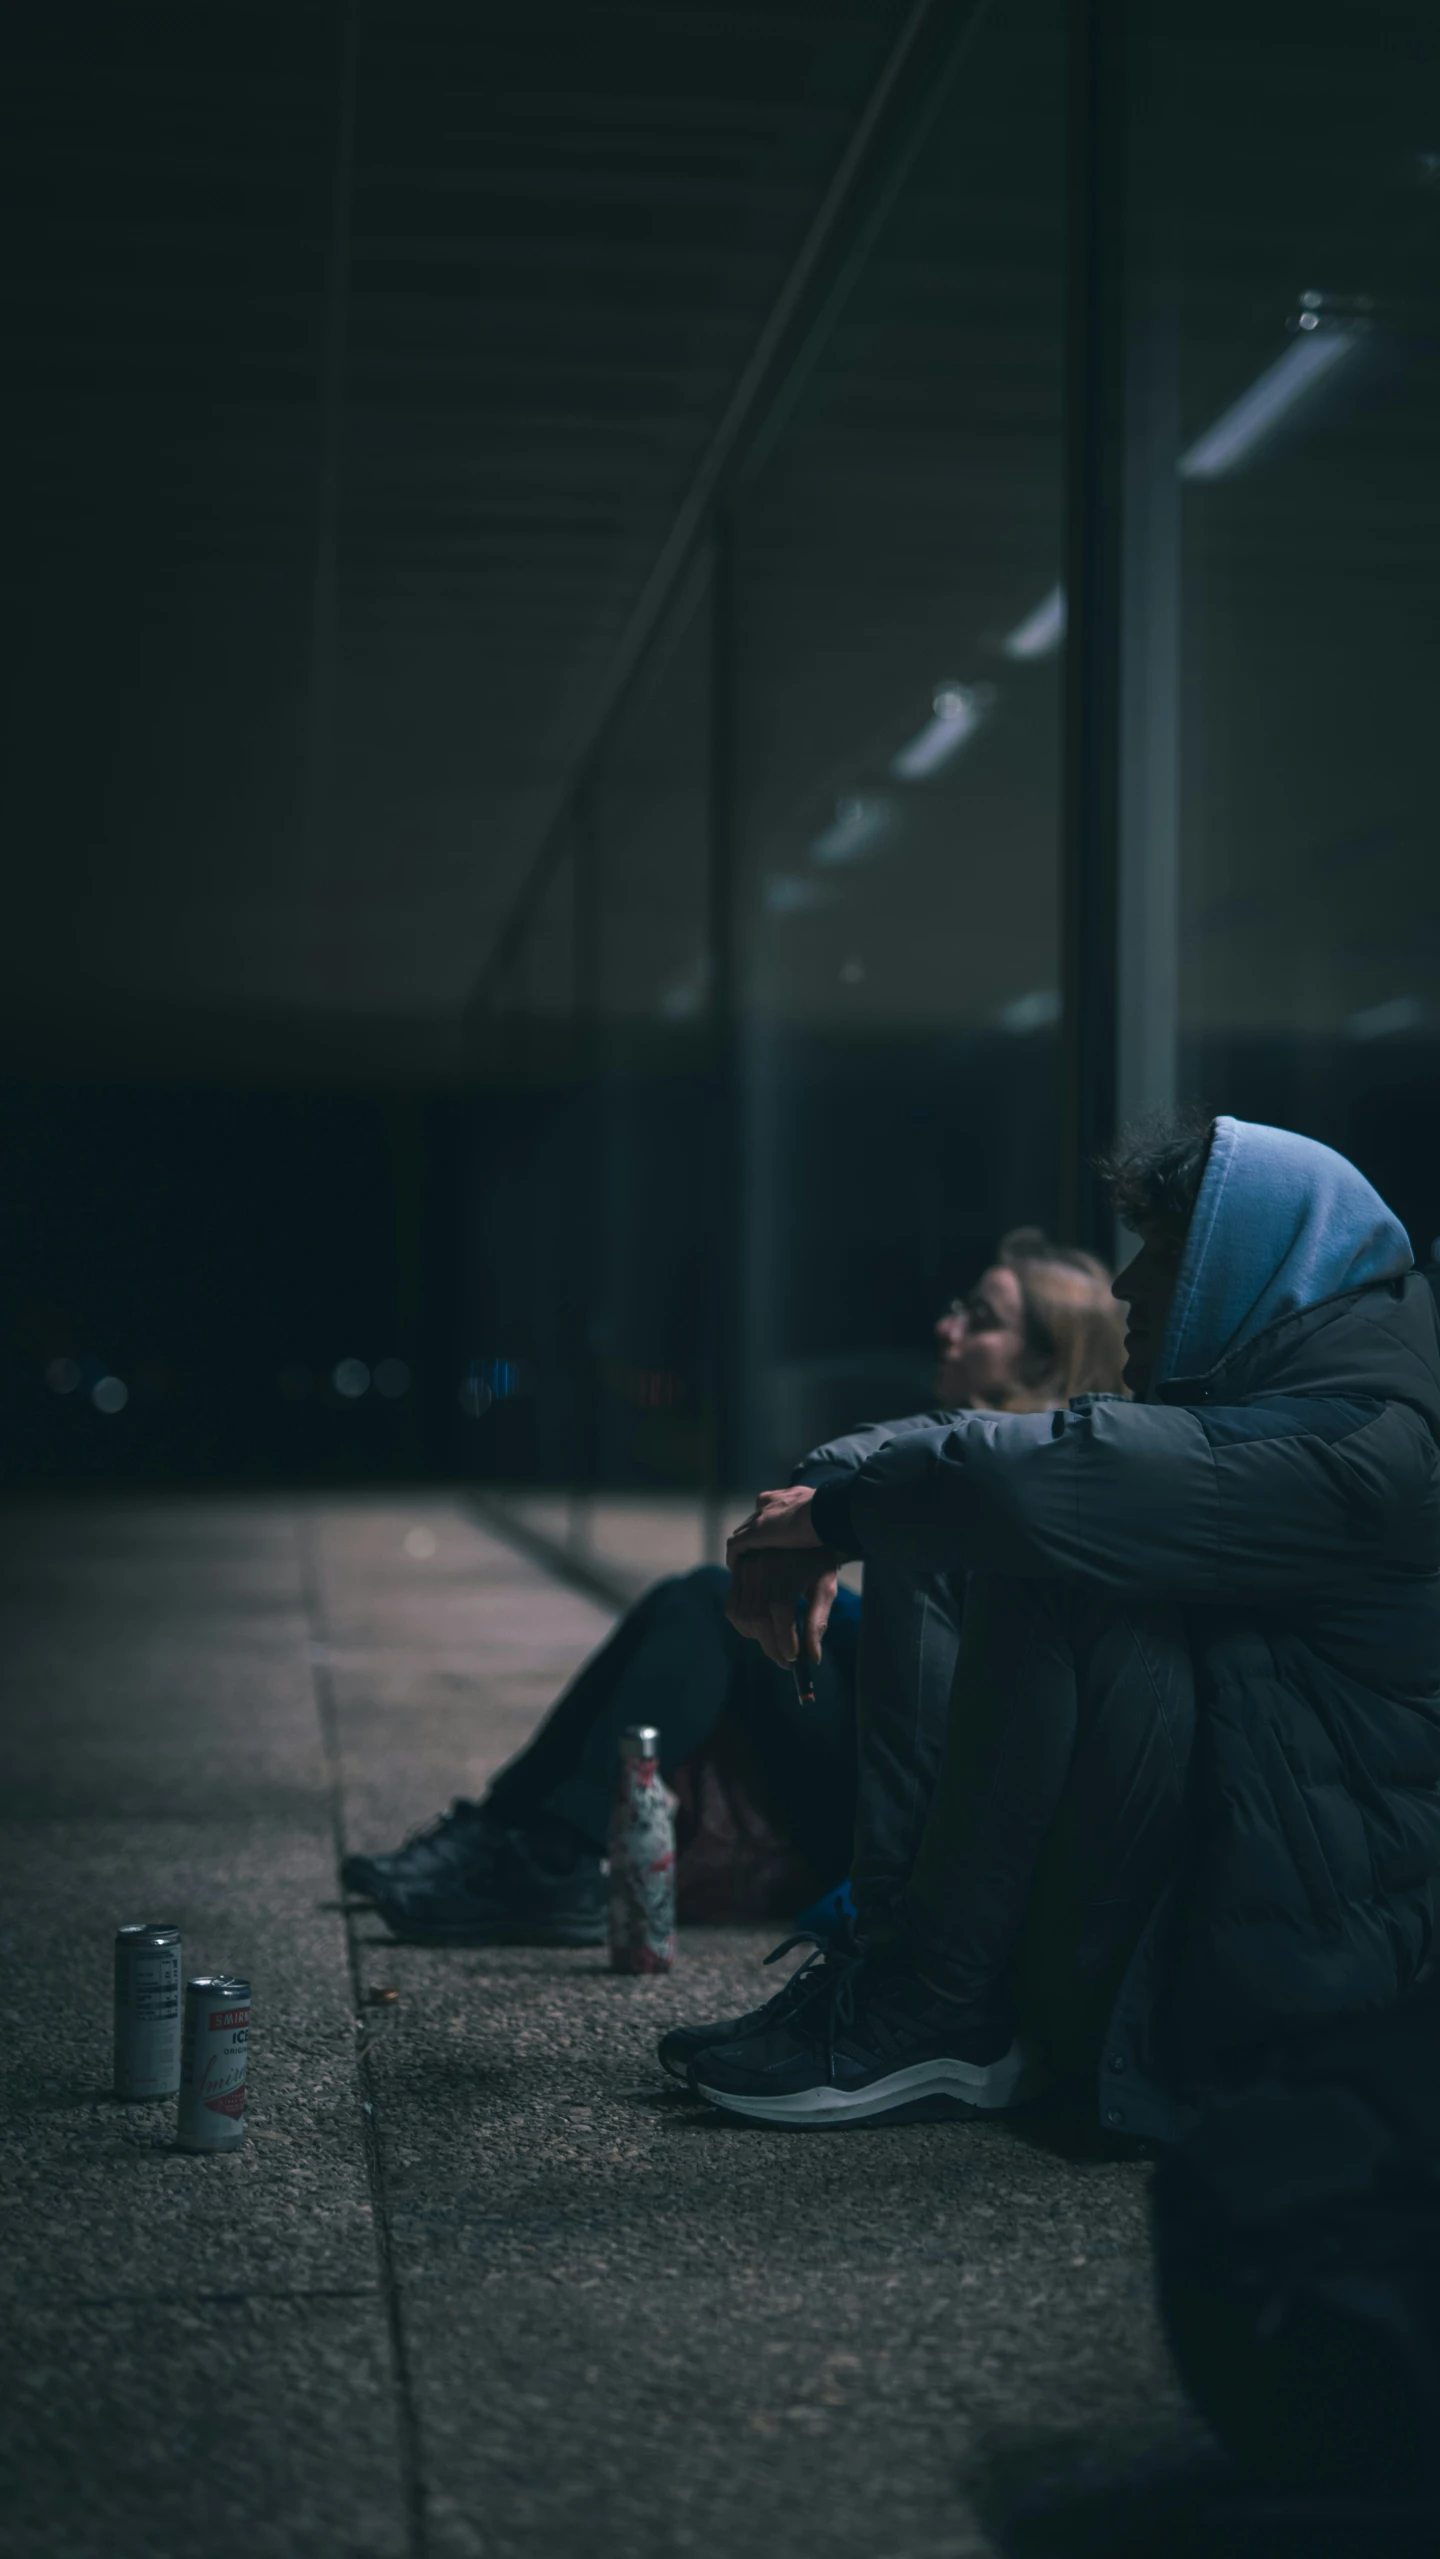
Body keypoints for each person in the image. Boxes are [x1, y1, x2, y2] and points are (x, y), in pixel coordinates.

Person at [671, 1115, 1440, 2136]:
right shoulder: (1307, 1396)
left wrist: (842, 1518)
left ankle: (936, 2004)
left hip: (1291, 1963)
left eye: (1162, 1252)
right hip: (1234, 1870)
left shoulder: (1365, 1443)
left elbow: (1050, 1483)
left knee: (1031, 1546)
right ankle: (904, 1974)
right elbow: (983, 1449)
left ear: (1256, 1268)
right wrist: (819, 1497)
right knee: (950, 1521)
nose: (1126, 1285)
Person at [341, 1229, 1126, 1945]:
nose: (947, 1328)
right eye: (959, 1307)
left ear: (1044, 1362)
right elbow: (857, 1468)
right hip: (894, 1757)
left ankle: (550, 1851)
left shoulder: (1047, 1481)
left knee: (703, 1606)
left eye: (980, 1318)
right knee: (697, 1595)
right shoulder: (956, 1455)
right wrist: (811, 1540)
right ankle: (511, 1834)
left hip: (932, 1816)